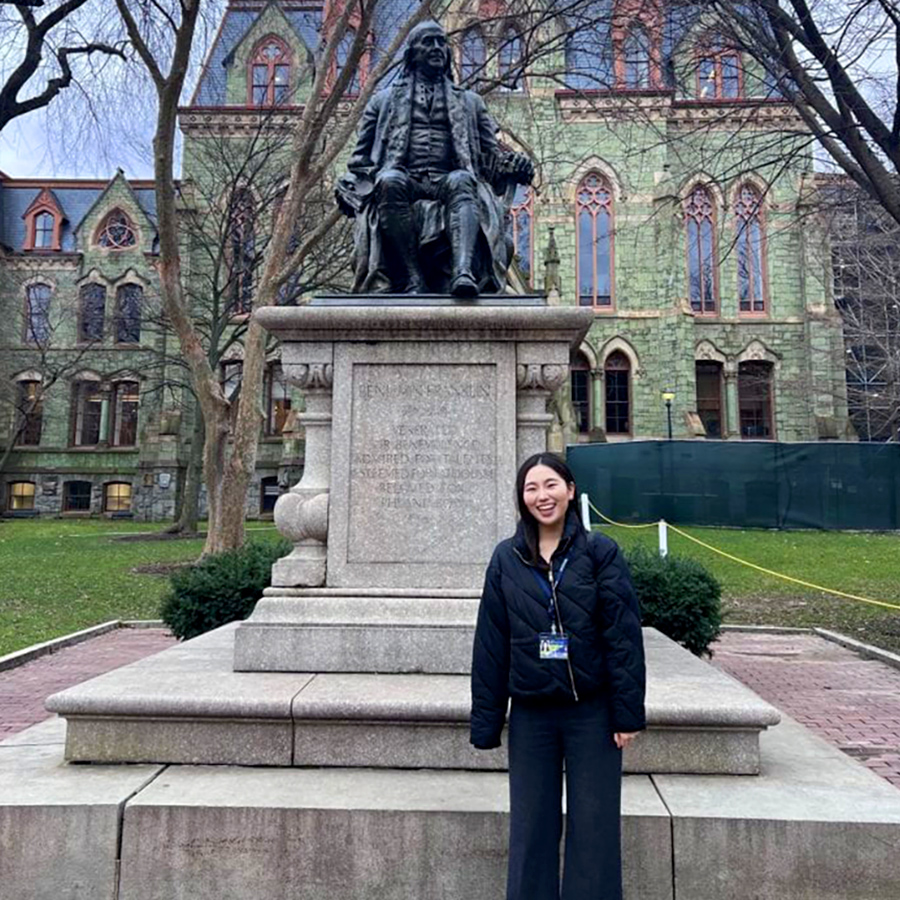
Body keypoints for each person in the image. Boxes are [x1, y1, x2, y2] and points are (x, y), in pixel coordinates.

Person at [470, 452, 646, 900]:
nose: (541, 496)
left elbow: (622, 637)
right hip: (532, 714)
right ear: (521, 498)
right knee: (531, 827)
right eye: (531, 488)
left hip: (592, 711)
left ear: (570, 490)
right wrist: (487, 722)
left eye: (550, 485)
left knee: (595, 825)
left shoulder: (600, 552)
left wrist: (626, 714)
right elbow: (491, 643)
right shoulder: (506, 558)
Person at [335, 19, 533, 297]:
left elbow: (492, 160)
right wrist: (347, 184)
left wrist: (517, 165)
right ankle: (411, 277)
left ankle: (462, 273)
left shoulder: (471, 102)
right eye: (429, 42)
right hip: (405, 179)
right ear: (413, 53)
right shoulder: (383, 102)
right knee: (389, 181)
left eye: (441, 42)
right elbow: (360, 161)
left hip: (449, 179)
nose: (437, 47)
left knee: (464, 180)